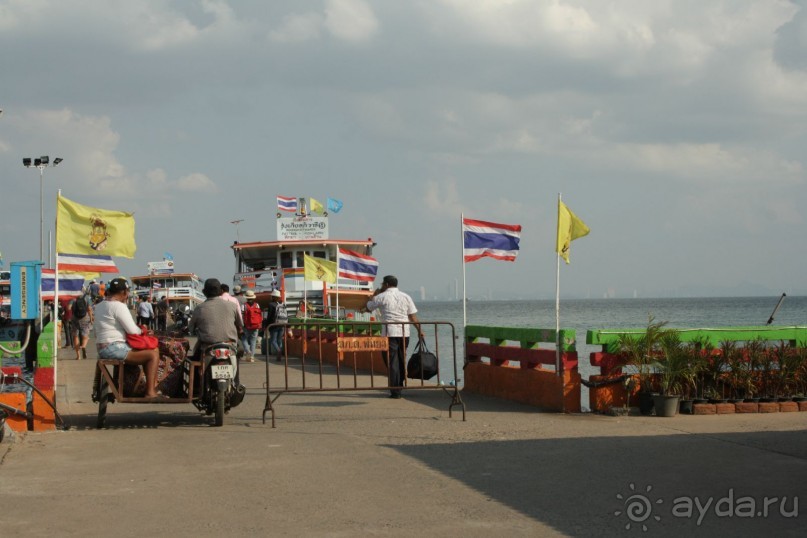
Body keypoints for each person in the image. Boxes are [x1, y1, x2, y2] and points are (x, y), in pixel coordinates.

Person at [93, 278, 162, 399]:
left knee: (152, 351)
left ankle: (151, 386)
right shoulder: (119, 306)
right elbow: (132, 330)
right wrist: (144, 330)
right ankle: (150, 392)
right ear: (124, 292)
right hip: (114, 348)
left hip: (102, 347)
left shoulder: (99, 306)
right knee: (153, 355)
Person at [365, 275, 422, 399]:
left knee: (391, 361)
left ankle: (395, 390)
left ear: (386, 284)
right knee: (401, 359)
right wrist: (419, 330)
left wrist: (373, 296)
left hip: (389, 333)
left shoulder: (381, 297)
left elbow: (368, 307)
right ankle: (399, 385)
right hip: (404, 333)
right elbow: (413, 317)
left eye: (382, 284)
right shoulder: (406, 297)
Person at [188, 279, 243, 380]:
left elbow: (190, 328)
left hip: (207, 346)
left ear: (204, 292)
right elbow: (240, 324)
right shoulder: (232, 305)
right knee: (238, 354)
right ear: (221, 291)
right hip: (230, 345)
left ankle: (196, 388)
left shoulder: (199, 308)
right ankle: (236, 383)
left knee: (194, 362)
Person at [265, 290, 288, 361]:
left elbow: (269, 316)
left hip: (274, 325)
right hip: (282, 324)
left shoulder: (271, 304)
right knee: (279, 340)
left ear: (274, 297)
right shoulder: (283, 304)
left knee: (273, 341)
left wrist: (267, 326)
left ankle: (278, 351)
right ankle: (279, 355)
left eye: (272, 296)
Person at [240, 290, 263, 362]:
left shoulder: (244, 305)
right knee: (253, 341)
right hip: (256, 326)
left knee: (243, 339)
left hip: (246, 326)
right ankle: (252, 357)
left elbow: (241, 315)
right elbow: (260, 315)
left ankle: (247, 351)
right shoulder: (257, 305)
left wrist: (241, 325)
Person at [71, 292, 94, 360]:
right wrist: (91, 318)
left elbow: (69, 307)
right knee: (85, 334)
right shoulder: (87, 297)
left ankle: (78, 356)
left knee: (75, 336)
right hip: (85, 318)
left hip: (75, 318)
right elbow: (89, 309)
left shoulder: (73, 298)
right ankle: (83, 346)